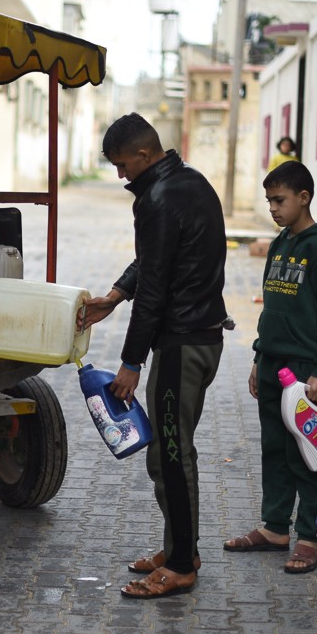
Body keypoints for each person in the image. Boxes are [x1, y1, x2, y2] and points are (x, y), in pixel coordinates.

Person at [78, 113, 229, 599]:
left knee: (171, 456)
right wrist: (116, 294)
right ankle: (180, 546)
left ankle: (182, 564)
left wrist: (130, 362)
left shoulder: (159, 198)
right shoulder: (188, 184)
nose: (121, 175)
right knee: (170, 452)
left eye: (123, 166)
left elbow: (157, 288)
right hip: (200, 338)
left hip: (181, 343)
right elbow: (155, 261)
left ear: (144, 155)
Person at [223, 161, 317, 574]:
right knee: (274, 449)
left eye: (279, 200)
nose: (273, 209)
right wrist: (260, 358)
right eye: (269, 201)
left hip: (306, 371)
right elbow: (271, 309)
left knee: (310, 454)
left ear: (303, 198)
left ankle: (309, 537)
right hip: (274, 365)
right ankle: (276, 528)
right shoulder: (279, 244)